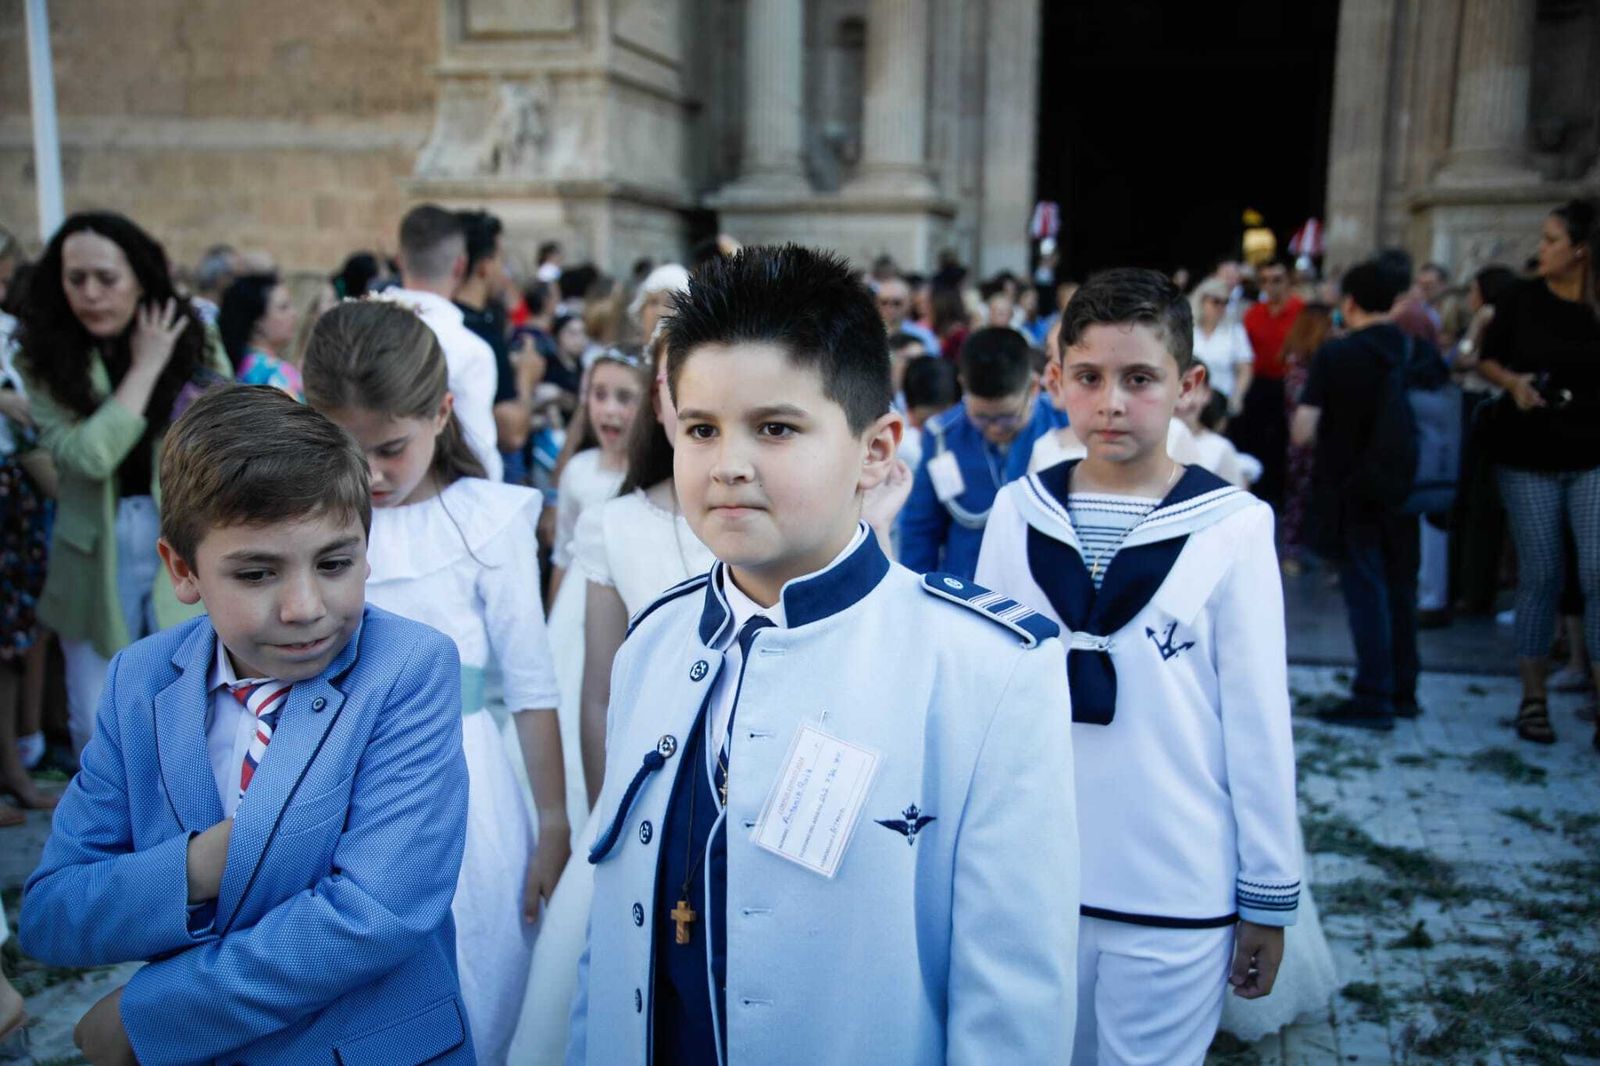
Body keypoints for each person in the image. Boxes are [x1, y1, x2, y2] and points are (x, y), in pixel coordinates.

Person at [566, 244, 1076, 1065]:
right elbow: (614, 936)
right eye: (701, 428)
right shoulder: (654, 644)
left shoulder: (984, 672)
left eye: (775, 428)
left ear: (876, 451)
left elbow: (1014, 998)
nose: (728, 465)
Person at [20, 384, 474, 1064]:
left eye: (334, 563)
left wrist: (149, 1016)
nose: (304, 606)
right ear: (182, 570)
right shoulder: (140, 683)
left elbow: (375, 915)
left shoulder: (406, 671)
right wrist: (202, 864)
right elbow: (53, 912)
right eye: (258, 572)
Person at [976, 268, 1299, 1065]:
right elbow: (978, 699)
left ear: (1188, 386)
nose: (1112, 402)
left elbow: (1258, 723)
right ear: (1055, 383)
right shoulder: (1017, 513)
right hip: (1033, 880)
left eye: (1140, 378)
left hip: (1175, 879)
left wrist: (1267, 895)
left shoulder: (1234, 527)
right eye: (1089, 377)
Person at [303, 302, 567, 1062]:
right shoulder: (309, 520)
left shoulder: (483, 522)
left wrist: (552, 821)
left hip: (461, 782)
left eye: (391, 448)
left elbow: (531, 683)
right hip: (326, 776)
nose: (373, 474)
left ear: (441, 414)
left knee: (476, 961)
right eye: (349, 450)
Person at [15, 212, 229, 756]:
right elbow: (88, 457)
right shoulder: (40, 354)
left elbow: (225, 429)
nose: (90, 293)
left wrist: (166, 358)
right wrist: (147, 366)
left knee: (190, 700)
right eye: (75, 278)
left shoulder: (192, 335)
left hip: (180, 533)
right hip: (92, 545)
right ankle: (110, 831)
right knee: (94, 716)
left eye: (106, 279)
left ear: (139, 276)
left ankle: (180, 834)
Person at [1293, 261, 1448, 729]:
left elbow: (1303, 430)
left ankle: (1372, 696)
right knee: (1401, 587)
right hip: (1407, 485)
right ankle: (1404, 691)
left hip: (1350, 487)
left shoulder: (1336, 356)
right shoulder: (1415, 350)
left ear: (1351, 302)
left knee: (1366, 590)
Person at [1473, 198, 1600, 748]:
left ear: (1581, 250)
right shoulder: (1521, 298)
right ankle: (1533, 699)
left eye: (1551, 240)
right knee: (1542, 574)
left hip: (1593, 453)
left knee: (1598, 578)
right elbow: (1486, 357)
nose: (1541, 249)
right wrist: (1514, 385)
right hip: (1528, 455)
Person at [898, 325, 1066, 579]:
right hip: (967, 588)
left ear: (1033, 387)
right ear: (963, 385)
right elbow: (920, 531)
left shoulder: (1061, 427)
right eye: (981, 417)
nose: (995, 428)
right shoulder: (943, 437)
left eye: (1007, 417)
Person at [381, 204, 502, 481]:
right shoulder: (470, 350)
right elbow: (479, 452)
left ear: (399, 258)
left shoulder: (347, 323)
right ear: (460, 265)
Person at [1237, 255, 1305, 508]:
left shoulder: (1301, 310)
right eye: (1265, 280)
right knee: (1255, 439)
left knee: (1285, 443)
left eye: (1277, 280)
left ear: (1288, 281)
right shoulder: (1253, 313)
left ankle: (1281, 497)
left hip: (1288, 386)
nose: (1271, 285)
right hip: (1259, 383)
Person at [1280, 303, 1336, 574]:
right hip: (1309, 441)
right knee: (1301, 496)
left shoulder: (1296, 360)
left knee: (1299, 497)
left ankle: (1299, 551)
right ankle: (1294, 552)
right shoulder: (1306, 366)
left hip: (1304, 440)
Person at [219, 272, 302, 399]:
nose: (294, 314)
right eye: (283, 308)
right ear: (257, 322)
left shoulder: (237, 365)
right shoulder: (276, 373)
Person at [1191, 277, 1255, 413]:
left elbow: (1245, 369)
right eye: (1216, 301)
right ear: (1201, 301)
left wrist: (1237, 397)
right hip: (1188, 400)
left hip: (1222, 402)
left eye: (1225, 303)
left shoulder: (1235, 331)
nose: (1221, 307)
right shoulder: (1188, 329)